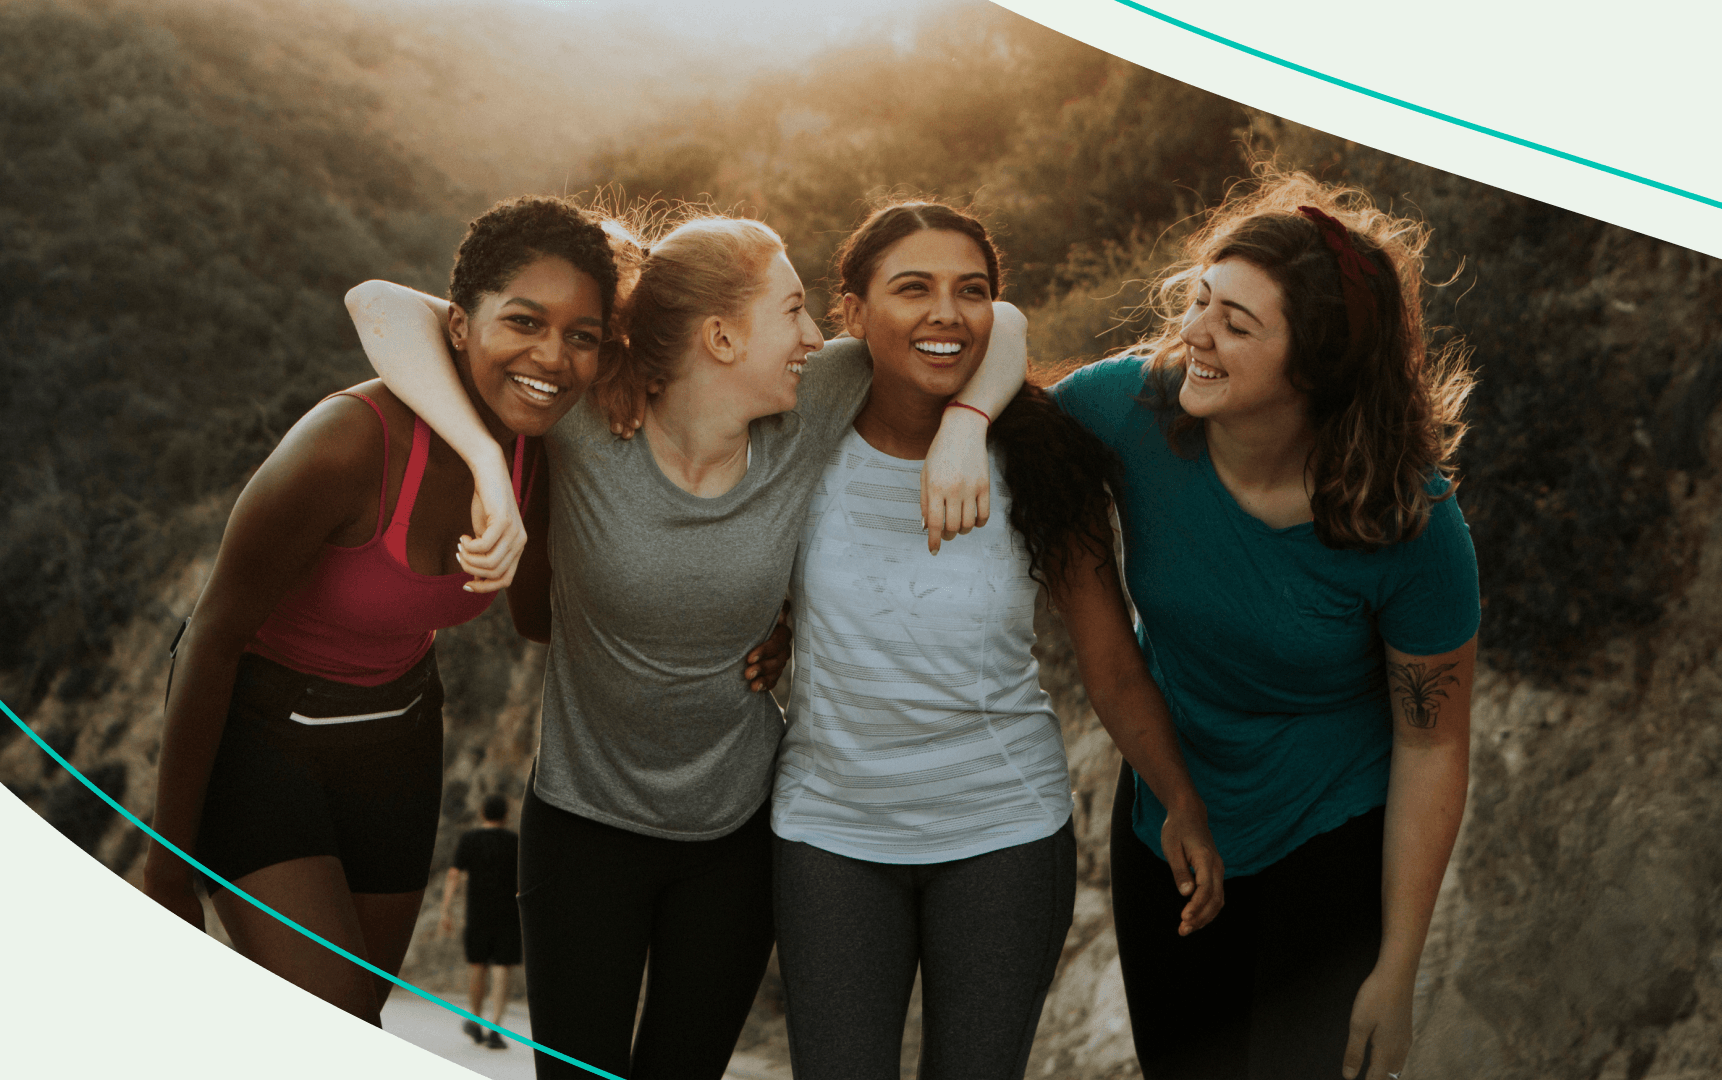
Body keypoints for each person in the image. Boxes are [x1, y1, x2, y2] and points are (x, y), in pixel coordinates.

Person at [345, 210, 1027, 1079]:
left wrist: (965, 423)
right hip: (584, 826)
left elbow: (998, 324)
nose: (814, 337)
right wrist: (488, 460)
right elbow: (379, 305)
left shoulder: (810, 405)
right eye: (791, 312)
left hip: (734, 838)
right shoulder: (588, 415)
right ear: (719, 335)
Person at [142, 195, 633, 1024]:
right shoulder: (346, 444)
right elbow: (210, 639)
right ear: (457, 325)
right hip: (262, 739)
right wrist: (166, 866)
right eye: (523, 322)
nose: (552, 355)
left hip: (399, 742)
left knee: (360, 1019)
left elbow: (537, 619)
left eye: (581, 336)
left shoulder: (538, 453)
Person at [768, 201, 1224, 1080]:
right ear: (853, 314)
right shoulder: (800, 429)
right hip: (828, 833)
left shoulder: (1042, 456)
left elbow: (1111, 660)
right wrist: (766, 632)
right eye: (913, 289)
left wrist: (1180, 799)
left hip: (1003, 833)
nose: (947, 313)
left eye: (970, 292)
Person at [1047, 171, 1479, 1080]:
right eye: (1200, 300)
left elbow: (1433, 745)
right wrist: (971, 426)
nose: (1193, 334)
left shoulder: (1410, 520)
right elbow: (991, 367)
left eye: (1236, 324)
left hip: (1331, 836)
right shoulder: (1129, 408)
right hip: (1169, 824)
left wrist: (1398, 969)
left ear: (1315, 364)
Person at [439, 793, 523, 1050]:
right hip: (509, 914)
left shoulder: (470, 839)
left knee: (477, 965)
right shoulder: (515, 842)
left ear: (482, 813)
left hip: (478, 913)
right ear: (506, 815)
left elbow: (454, 875)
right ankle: (495, 1028)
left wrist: (446, 909)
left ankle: (475, 1020)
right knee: (502, 968)